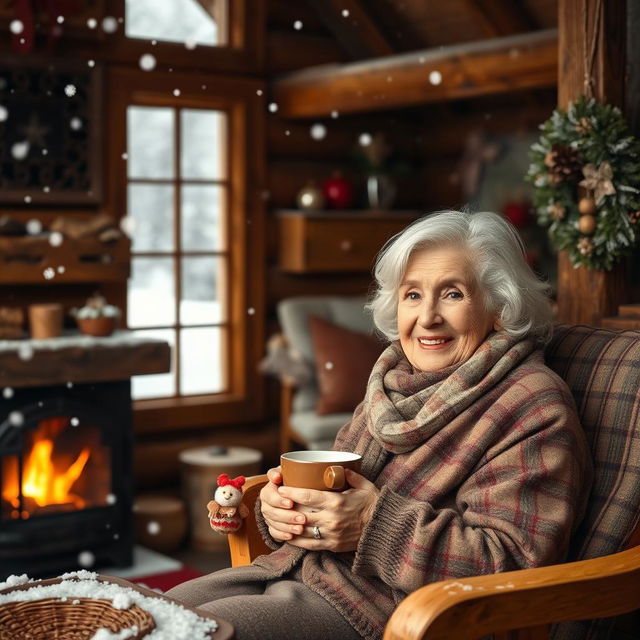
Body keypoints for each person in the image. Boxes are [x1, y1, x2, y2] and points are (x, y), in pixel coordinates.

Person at [167, 210, 593, 640]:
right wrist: (281, 514)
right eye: (412, 295)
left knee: (179, 635)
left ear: (499, 308)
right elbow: (332, 501)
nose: (427, 317)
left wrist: (374, 523)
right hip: (290, 572)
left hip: (389, 614)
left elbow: (512, 566)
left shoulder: (532, 405)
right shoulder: (392, 382)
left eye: (452, 294)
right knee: (127, 615)